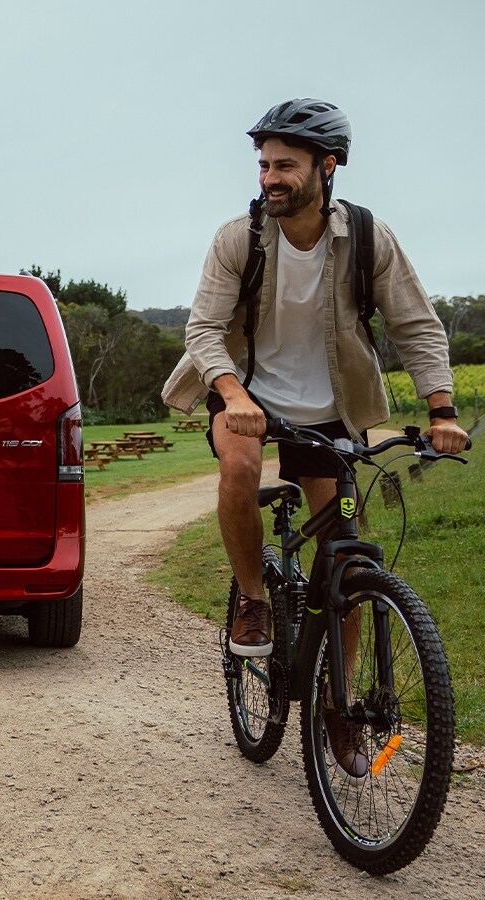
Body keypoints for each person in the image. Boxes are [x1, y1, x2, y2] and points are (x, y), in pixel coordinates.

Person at [162, 99, 469, 778]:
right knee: (239, 470)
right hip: (246, 394)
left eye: (286, 165)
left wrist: (442, 411)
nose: (270, 177)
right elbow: (203, 331)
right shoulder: (236, 238)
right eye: (264, 164)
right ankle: (251, 595)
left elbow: (417, 325)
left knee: (348, 560)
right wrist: (235, 395)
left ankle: (342, 699)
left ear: (327, 167)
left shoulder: (367, 237)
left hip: (331, 410)